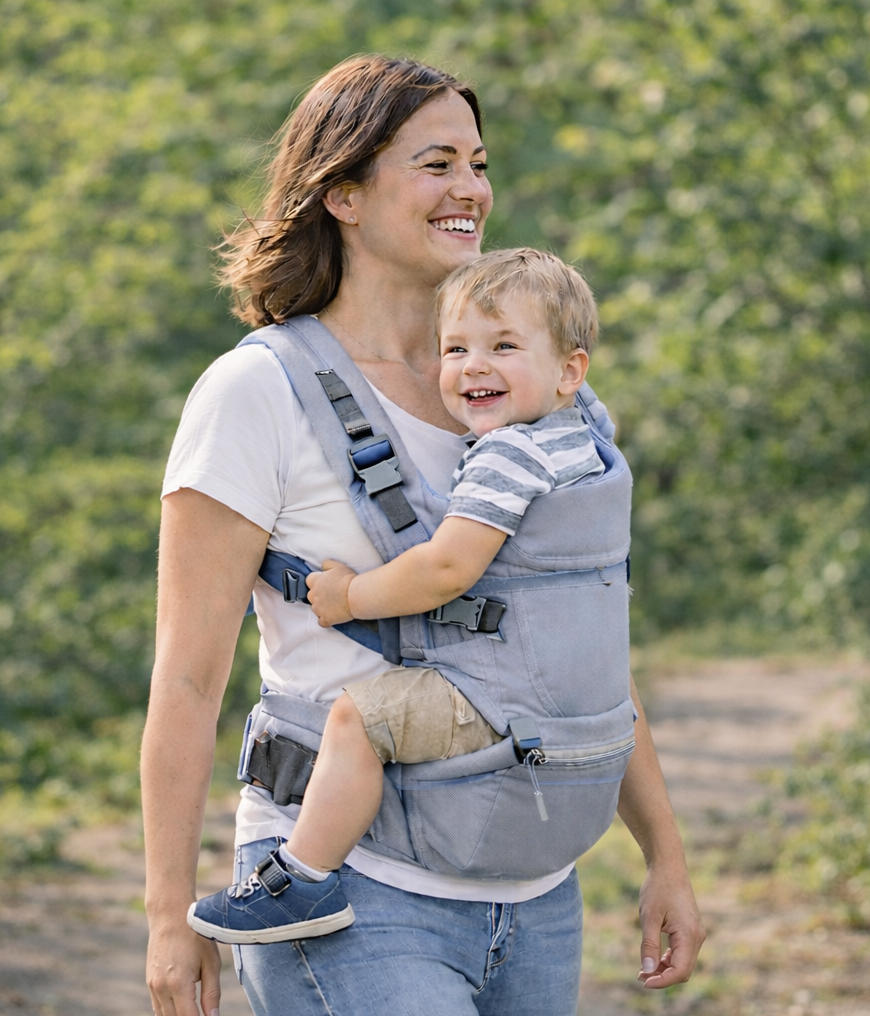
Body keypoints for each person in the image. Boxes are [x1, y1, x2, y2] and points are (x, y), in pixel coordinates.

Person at [143, 54, 705, 1016]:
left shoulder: (530, 395)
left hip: (534, 893)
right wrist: (165, 913)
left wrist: (665, 857)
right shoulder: (254, 393)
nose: (472, 191)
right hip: (352, 896)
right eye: (437, 163)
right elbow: (188, 680)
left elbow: (577, 647)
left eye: (478, 163)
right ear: (344, 193)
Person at [186, 247, 614, 944]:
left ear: (570, 369)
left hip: (492, 692)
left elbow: (447, 570)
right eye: (456, 348)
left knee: (359, 723)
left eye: (502, 346)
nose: (474, 365)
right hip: (568, 697)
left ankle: (305, 877)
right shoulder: (587, 442)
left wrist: (350, 595)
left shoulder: (508, 454)